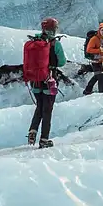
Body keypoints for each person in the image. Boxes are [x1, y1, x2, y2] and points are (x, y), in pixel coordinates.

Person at [27, 16, 67, 148]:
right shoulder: (55, 43)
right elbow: (62, 62)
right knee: (47, 110)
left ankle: (33, 130)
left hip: (35, 81)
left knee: (39, 106)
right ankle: (44, 139)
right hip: (49, 80)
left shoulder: (35, 40)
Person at [83, 22, 103, 95]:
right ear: (99, 30)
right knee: (101, 77)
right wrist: (99, 50)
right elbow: (88, 50)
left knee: (97, 76)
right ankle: (102, 93)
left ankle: (87, 90)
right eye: (102, 30)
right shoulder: (94, 39)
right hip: (95, 59)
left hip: (101, 59)